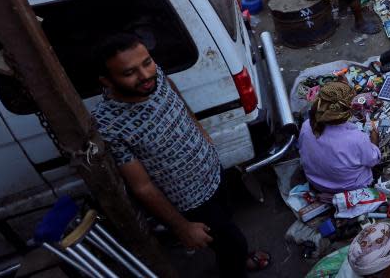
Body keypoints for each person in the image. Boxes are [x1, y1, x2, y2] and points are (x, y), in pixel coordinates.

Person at [93, 34, 270, 277]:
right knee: (233, 242)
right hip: (192, 202)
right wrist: (182, 227)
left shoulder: (156, 77)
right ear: (107, 81)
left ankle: (236, 260)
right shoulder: (109, 125)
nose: (145, 75)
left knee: (229, 226)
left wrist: (199, 129)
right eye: (129, 73)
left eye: (147, 62)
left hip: (212, 171)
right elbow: (142, 187)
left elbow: (175, 95)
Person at [299, 81, 380, 194]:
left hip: (316, 183)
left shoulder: (307, 125)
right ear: (349, 108)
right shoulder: (358, 139)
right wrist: (375, 139)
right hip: (349, 189)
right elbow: (373, 160)